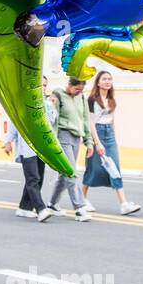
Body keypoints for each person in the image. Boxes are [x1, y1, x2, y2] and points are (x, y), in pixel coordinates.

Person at [82, 71, 142, 216]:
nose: (107, 82)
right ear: (98, 83)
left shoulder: (111, 99)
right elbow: (90, 123)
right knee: (93, 168)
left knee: (115, 168)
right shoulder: (91, 100)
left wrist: (113, 138)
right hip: (97, 134)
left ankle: (124, 204)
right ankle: (81, 199)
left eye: (109, 79)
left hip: (109, 135)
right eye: (104, 79)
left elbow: (112, 119)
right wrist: (97, 143)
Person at [2, 76, 58, 223]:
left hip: (41, 147)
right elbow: (14, 123)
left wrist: (51, 106)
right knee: (33, 178)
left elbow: (51, 123)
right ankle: (41, 209)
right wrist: (8, 141)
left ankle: (24, 208)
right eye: (40, 85)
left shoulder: (48, 104)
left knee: (38, 178)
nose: (43, 88)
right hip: (27, 147)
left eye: (45, 85)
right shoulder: (23, 104)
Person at [48, 76, 93, 222]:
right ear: (69, 84)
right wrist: (52, 142)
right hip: (63, 136)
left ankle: (52, 204)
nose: (78, 92)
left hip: (76, 138)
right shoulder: (58, 94)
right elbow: (52, 118)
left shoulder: (81, 98)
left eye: (81, 89)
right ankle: (79, 208)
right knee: (71, 171)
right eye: (76, 89)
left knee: (64, 173)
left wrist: (89, 142)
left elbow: (85, 119)